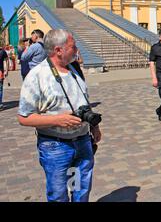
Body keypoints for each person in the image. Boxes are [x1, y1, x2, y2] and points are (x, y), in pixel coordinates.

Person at [16, 29, 102, 202]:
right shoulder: (37, 76)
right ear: (58, 50)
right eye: (73, 46)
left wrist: (94, 126)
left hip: (82, 141)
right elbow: (24, 117)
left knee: (80, 190)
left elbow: (83, 102)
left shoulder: (74, 70)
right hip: (55, 147)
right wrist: (57, 120)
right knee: (58, 195)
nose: (77, 49)